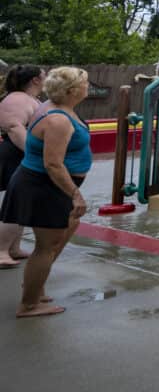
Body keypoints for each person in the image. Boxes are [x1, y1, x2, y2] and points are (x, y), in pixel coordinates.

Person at [0, 67, 92, 317]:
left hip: (48, 184)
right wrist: (75, 194)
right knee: (46, 246)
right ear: (72, 91)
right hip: (45, 185)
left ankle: (35, 287)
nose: (88, 87)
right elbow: (53, 163)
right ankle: (29, 304)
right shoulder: (58, 120)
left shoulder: (55, 106)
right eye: (85, 84)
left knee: (56, 240)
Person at [0, 66, 46, 268]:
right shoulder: (16, 99)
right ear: (35, 80)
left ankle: (13, 248)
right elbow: (14, 128)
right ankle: (1, 252)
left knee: (22, 204)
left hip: (23, 154)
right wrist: (34, 154)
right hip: (17, 154)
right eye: (45, 76)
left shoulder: (27, 98)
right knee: (15, 205)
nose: (47, 79)